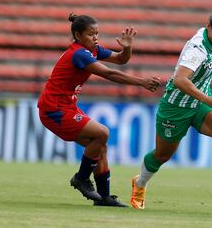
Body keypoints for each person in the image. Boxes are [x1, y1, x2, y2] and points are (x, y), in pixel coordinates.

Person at [130, 4, 212, 210]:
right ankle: (139, 184)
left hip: (199, 103)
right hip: (176, 107)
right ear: (208, 26)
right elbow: (179, 80)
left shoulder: (208, 37)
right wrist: (208, 99)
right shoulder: (197, 49)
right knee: (162, 155)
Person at [37, 13, 160, 207]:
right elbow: (109, 73)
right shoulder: (79, 53)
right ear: (77, 35)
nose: (95, 37)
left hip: (65, 106)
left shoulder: (92, 50)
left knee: (99, 144)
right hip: (54, 109)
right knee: (102, 133)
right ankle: (81, 178)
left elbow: (120, 60)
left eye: (97, 33)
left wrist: (127, 48)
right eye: (90, 34)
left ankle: (104, 198)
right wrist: (141, 81)